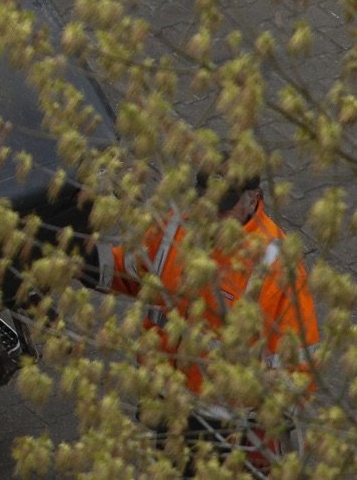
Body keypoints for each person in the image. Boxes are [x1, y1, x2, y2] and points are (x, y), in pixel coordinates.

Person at [86, 172, 319, 472]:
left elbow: (299, 372)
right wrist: (83, 262)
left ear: (253, 198)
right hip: (170, 409)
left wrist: (264, 427)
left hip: (230, 436)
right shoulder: (176, 228)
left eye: (223, 205)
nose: (211, 214)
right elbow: (134, 272)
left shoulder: (276, 266)